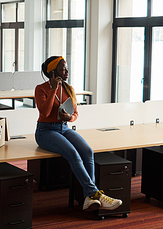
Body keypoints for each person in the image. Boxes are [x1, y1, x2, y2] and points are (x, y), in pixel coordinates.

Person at [34, 56, 123, 212]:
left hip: (64, 128)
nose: (67, 71)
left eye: (67, 67)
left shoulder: (69, 89)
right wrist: (54, 88)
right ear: (53, 72)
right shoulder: (41, 88)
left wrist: (69, 118)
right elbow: (45, 112)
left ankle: (89, 197)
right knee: (73, 154)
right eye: (63, 68)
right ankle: (95, 194)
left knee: (87, 151)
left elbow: (75, 113)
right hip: (45, 130)